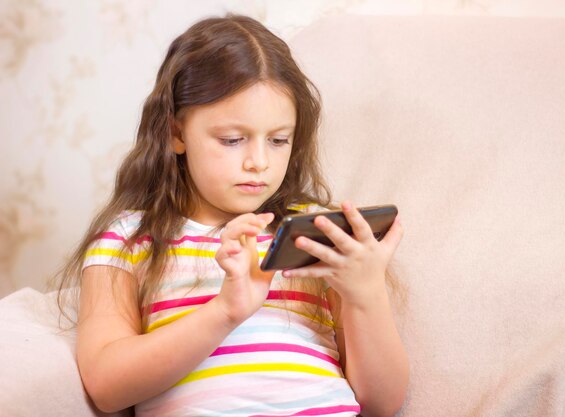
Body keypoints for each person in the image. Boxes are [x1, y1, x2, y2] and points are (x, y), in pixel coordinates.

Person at [56, 14, 408, 417]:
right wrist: (225, 311)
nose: (258, 162)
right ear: (176, 133)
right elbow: (106, 386)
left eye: (278, 140)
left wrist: (366, 295)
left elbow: (381, 403)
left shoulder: (315, 235)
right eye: (232, 140)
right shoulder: (127, 240)